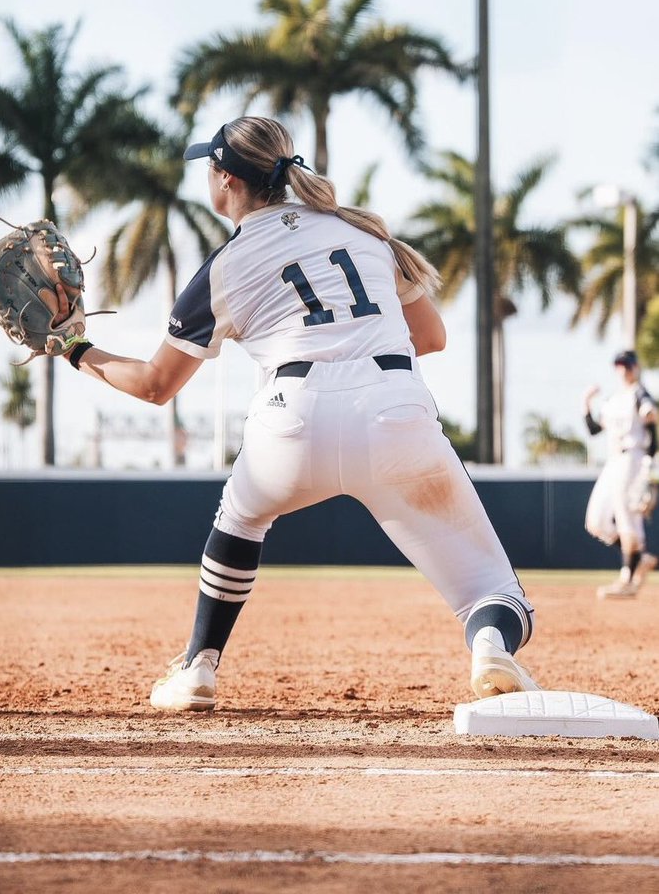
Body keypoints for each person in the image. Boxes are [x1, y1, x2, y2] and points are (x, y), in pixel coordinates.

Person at [60, 117, 538, 711]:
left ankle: (198, 668)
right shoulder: (364, 234)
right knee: (493, 592)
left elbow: (155, 386)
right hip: (395, 408)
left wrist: (72, 346)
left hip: (292, 418)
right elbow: (432, 337)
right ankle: (490, 644)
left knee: (238, 520)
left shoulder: (225, 266)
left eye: (209, 168)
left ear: (225, 179)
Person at [583, 350, 658, 599]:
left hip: (634, 458)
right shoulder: (614, 399)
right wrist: (585, 402)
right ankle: (641, 557)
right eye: (619, 365)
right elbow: (594, 429)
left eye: (627, 364)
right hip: (613, 461)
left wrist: (651, 462)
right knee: (596, 521)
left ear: (636, 367)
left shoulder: (639, 393)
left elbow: (652, 416)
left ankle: (627, 578)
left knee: (628, 519)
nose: (623, 369)